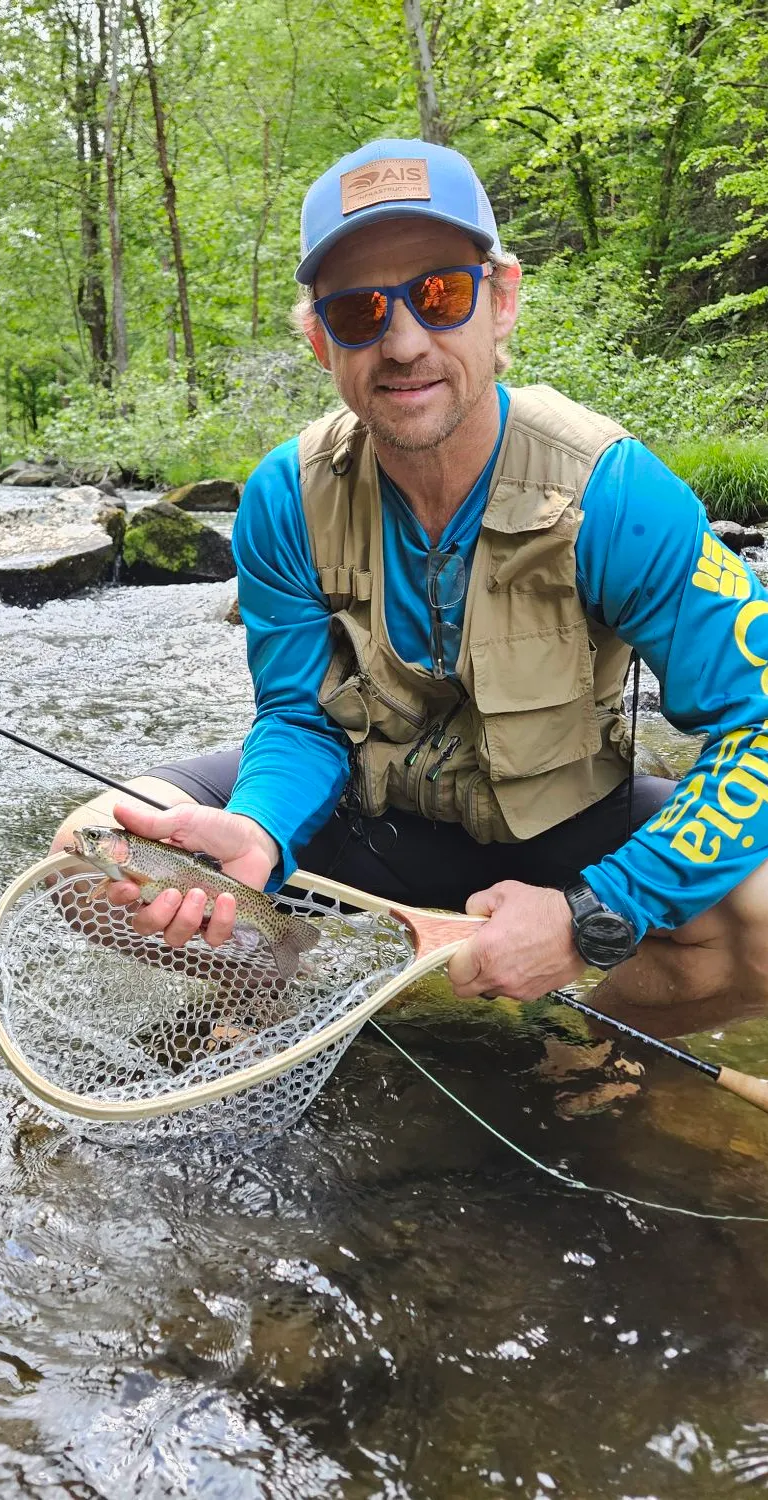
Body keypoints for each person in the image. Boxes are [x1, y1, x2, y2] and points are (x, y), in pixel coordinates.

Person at [52, 138, 768, 1020]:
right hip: (363, 815)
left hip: (563, 826)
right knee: (88, 854)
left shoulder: (615, 491)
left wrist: (599, 912)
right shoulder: (284, 495)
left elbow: (759, 721)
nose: (402, 342)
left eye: (439, 294)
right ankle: (278, 989)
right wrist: (259, 826)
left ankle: (595, 1045)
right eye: (357, 313)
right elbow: (297, 717)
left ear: (500, 303)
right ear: (320, 340)